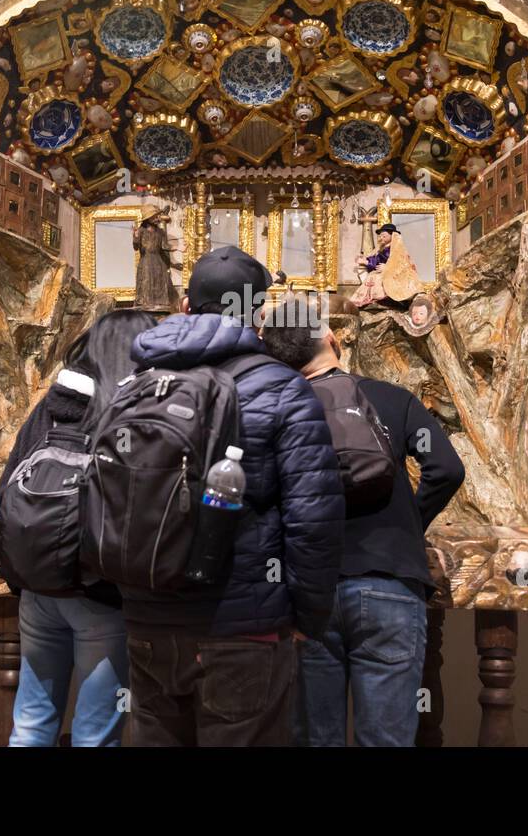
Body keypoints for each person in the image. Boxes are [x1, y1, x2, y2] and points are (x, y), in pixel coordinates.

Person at [121, 246, 345, 746]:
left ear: (184, 306)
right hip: (244, 629)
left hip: (149, 623)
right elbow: (313, 520)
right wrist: (308, 616)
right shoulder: (284, 389)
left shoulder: (138, 381)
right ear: (259, 314)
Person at [262, 298, 466, 747]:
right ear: (332, 340)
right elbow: (448, 468)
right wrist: (411, 519)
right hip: (390, 580)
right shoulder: (394, 399)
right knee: (387, 739)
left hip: (308, 595)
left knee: (316, 738)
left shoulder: (276, 414)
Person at [0, 309, 159, 746]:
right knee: (95, 730)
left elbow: (9, 485)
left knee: (30, 721)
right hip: (100, 592)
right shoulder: (139, 410)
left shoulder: (57, 403)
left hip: (39, 588)